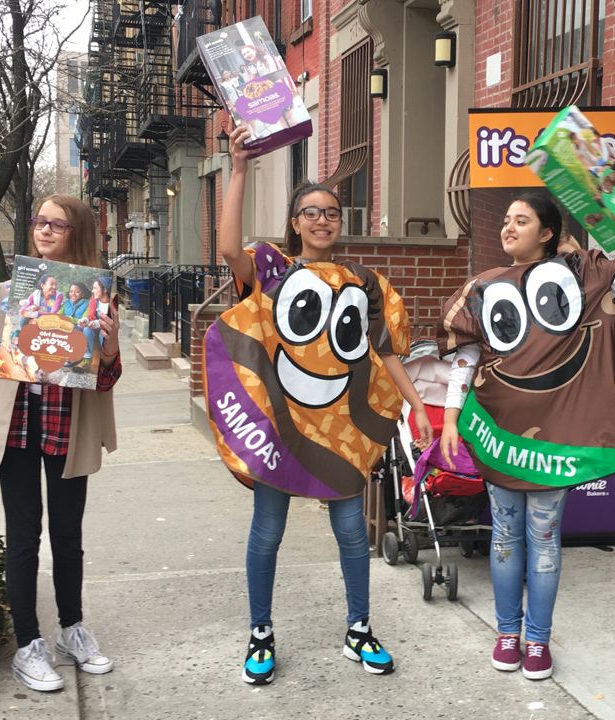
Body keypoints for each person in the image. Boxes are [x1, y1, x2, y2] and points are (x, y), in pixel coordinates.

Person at [209, 125, 432, 685]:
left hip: (341, 433)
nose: (322, 220)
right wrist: (238, 169)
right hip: (281, 430)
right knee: (267, 532)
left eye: (331, 211)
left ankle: (359, 629)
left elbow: (386, 351)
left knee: (352, 532)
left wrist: (418, 406)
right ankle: (261, 633)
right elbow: (229, 249)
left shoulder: (366, 283)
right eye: (311, 211)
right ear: (294, 222)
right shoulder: (270, 272)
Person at [439, 175, 615, 681]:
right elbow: (466, 355)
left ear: (547, 232)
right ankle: (507, 634)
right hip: (498, 432)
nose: (509, 228)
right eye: (507, 220)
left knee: (543, 537)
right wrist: (450, 416)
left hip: (554, 439)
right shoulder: (484, 285)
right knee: (504, 536)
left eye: (522, 220)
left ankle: (537, 641)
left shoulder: (581, 275)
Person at [0, 195, 123, 693]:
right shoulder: (10, 291)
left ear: (78, 233)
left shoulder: (95, 295)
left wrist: (107, 345)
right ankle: (28, 644)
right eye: (40, 222)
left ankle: (72, 630)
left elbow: (105, 380)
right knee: (23, 539)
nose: (44, 231)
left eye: (57, 225)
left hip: (68, 431)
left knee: (68, 537)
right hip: (19, 429)